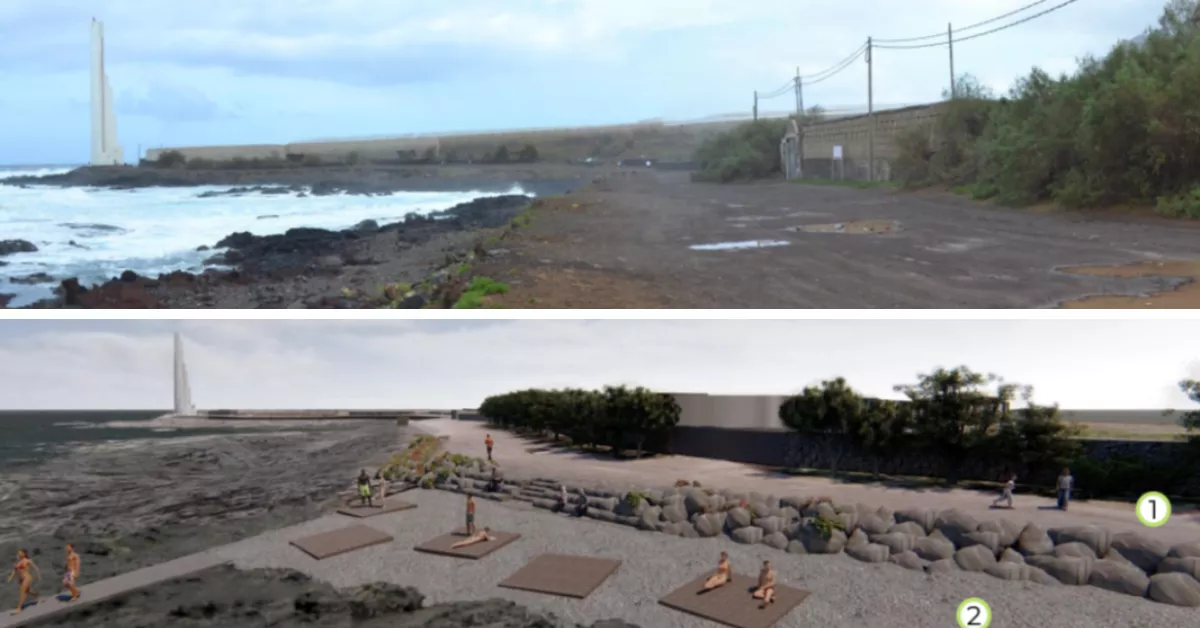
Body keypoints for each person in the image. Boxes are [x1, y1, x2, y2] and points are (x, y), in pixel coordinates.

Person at [7, 549, 40, 615]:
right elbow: (14, 571)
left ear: (24, 554)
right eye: (18, 553)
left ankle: (19, 608)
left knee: (22, 592)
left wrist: (38, 576)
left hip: (27, 578)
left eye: (20, 553)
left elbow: (36, 568)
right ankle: (37, 596)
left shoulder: (27, 560)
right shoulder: (18, 562)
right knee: (27, 591)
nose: (19, 554)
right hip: (21, 580)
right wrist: (10, 577)